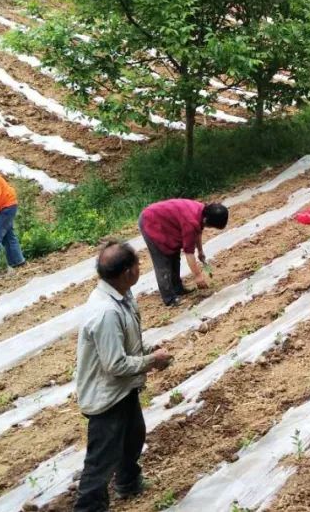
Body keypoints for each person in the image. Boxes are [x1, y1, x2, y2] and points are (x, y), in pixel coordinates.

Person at [74, 242, 173, 511]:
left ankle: (128, 483)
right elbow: (115, 364)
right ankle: (88, 507)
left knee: (134, 435)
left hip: (123, 388)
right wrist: (152, 361)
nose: (141, 268)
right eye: (138, 264)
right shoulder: (105, 311)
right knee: (100, 461)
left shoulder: (122, 294)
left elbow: (124, 345)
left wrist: (147, 351)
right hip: (106, 395)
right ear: (128, 271)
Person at [138, 199, 229, 306]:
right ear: (206, 220)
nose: (208, 227)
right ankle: (169, 298)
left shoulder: (202, 210)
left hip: (165, 221)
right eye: (211, 226)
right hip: (150, 221)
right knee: (163, 260)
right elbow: (189, 252)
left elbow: (199, 230)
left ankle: (178, 289)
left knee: (174, 254)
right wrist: (198, 275)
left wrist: (200, 251)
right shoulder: (191, 222)